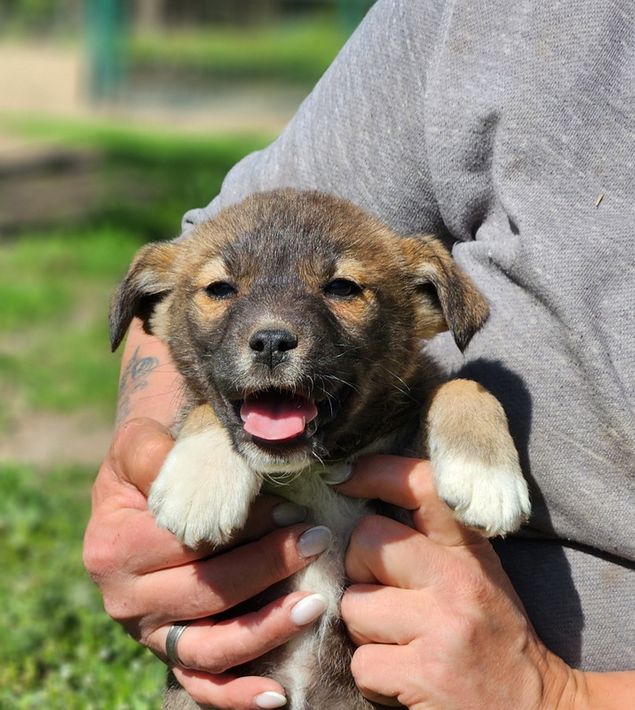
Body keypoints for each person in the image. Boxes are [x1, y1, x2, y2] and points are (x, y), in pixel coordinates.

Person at [83, 1, 635, 708]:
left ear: (426, 308)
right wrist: (171, 442)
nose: (273, 330)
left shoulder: (419, 382)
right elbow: (200, 252)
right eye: (222, 289)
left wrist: (560, 697)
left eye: (342, 288)